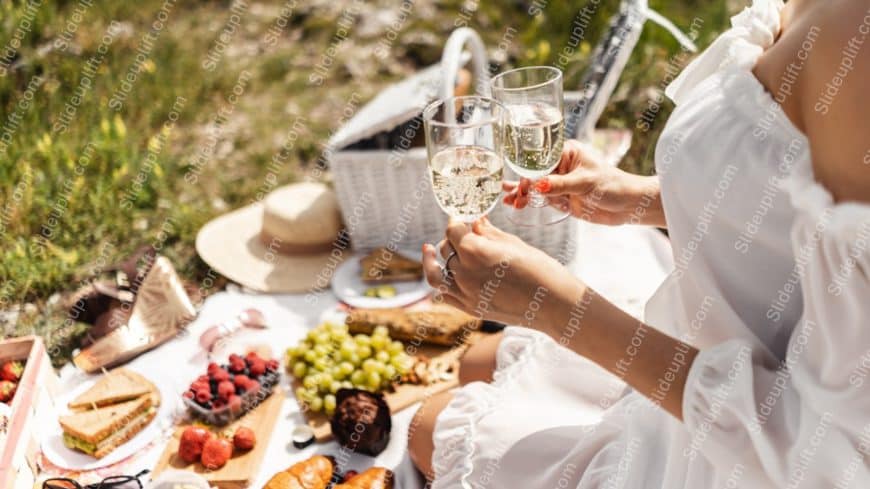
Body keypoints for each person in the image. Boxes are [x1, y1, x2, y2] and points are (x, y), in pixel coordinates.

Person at [407, 0, 870, 487]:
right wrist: (647, 198)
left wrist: (553, 308)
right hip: (703, 342)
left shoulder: (855, 38)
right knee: (472, 365)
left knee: (424, 426)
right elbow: (794, 186)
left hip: (740, 439)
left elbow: (830, 460)